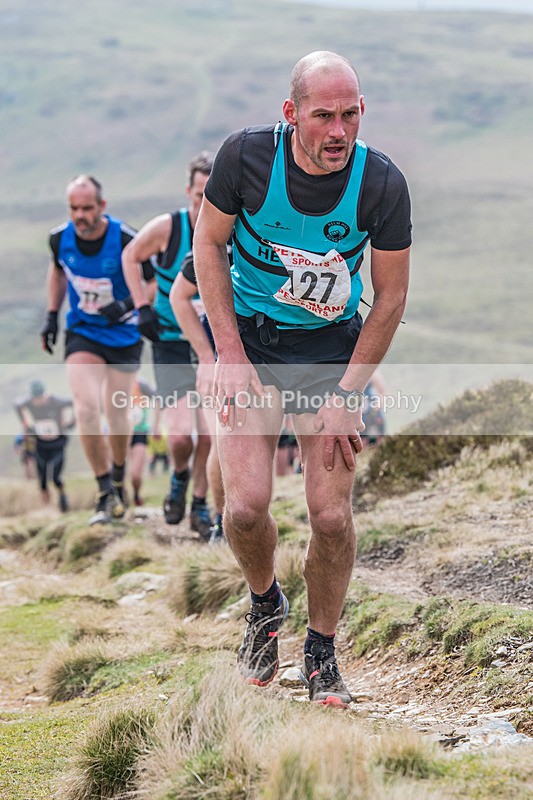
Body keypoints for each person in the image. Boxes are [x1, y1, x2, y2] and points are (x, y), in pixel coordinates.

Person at [193, 51, 411, 706]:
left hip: (329, 357)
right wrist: (227, 352)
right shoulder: (245, 159)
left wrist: (348, 396)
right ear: (292, 115)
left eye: (349, 114)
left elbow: (391, 296)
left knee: (331, 516)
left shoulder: (380, 183)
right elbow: (208, 244)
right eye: (323, 116)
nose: (338, 130)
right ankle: (264, 607)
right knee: (245, 506)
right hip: (254, 347)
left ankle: (319, 649)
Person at [40, 175, 155, 525]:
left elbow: (151, 283)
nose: (80, 215)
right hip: (84, 333)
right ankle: (104, 491)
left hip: (123, 335)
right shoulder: (59, 239)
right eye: (74, 208)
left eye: (87, 208)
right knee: (87, 409)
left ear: (101, 207)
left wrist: (125, 305)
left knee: (116, 413)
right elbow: (59, 271)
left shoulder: (125, 239)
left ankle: (119, 480)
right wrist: (51, 316)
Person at [123, 154, 214, 539]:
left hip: (214, 343)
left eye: (212, 196)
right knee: (179, 437)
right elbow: (130, 255)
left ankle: (198, 503)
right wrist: (141, 307)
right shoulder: (169, 228)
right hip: (171, 342)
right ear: (188, 192)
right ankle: (178, 477)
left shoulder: (232, 228)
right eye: (198, 196)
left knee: (210, 436)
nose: (204, 205)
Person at [170, 249, 228, 544]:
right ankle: (222, 525)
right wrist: (206, 357)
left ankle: (249, 520)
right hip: (218, 358)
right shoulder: (208, 250)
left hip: (266, 352)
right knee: (221, 438)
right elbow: (178, 297)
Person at [14, 379, 74, 510]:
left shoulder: (57, 401)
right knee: (42, 480)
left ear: (45, 395)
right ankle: (46, 508)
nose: (38, 402)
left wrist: (71, 423)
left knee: (56, 477)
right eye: (35, 399)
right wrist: (25, 424)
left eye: (40, 398)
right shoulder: (28, 402)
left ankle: (62, 497)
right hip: (40, 444)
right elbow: (17, 404)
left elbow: (74, 403)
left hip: (58, 443)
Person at [129, 379, 154, 506]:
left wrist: (156, 425)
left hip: (139, 433)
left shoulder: (141, 385)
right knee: (117, 471)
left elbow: (158, 397)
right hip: (119, 433)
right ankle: (118, 498)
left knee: (136, 475)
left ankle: (136, 495)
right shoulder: (111, 381)